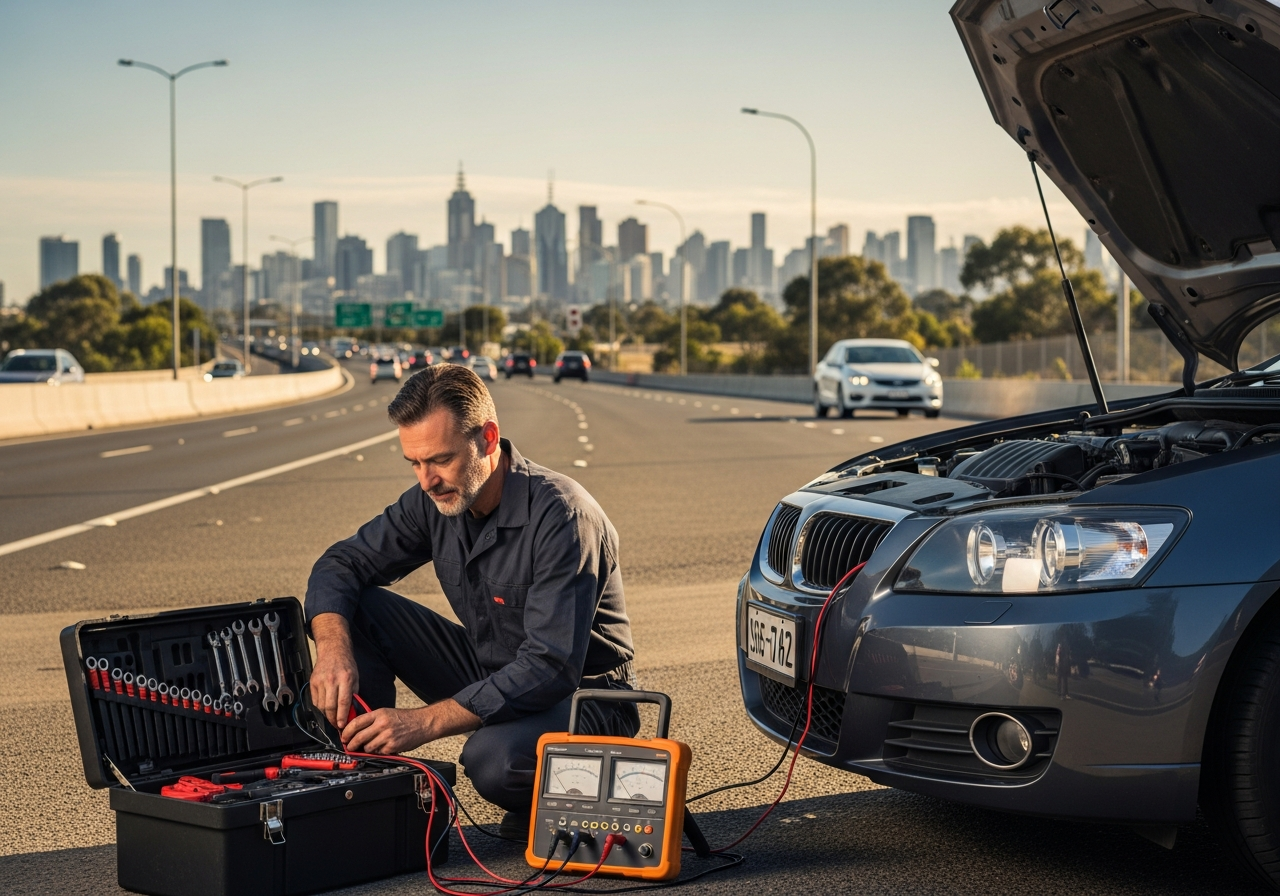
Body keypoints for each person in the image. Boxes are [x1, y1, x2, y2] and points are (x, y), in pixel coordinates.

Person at [305, 364, 639, 837]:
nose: (426, 480)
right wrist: (333, 650)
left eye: (439, 460)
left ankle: (584, 793)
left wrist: (421, 723)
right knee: (353, 607)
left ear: (487, 438)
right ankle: (363, 777)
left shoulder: (563, 516)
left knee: (493, 760)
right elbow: (340, 564)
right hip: (493, 670)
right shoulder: (434, 500)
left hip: (584, 697)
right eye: (414, 464)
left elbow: (548, 666)